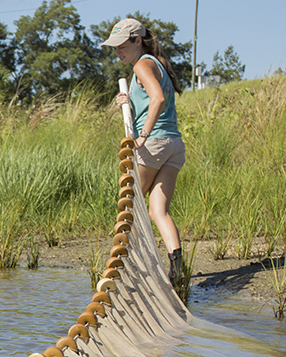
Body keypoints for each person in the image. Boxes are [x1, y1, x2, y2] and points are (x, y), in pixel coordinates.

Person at [104, 18, 185, 283]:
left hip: (154, 144)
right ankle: (176, 270)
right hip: (174, 144)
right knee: (156, 210)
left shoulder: (141, 64)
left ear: (138, 40)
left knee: (132, 209)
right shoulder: (155, 64)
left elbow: (158, 99)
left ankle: (135, 271)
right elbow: (152, 98)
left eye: (121, 45)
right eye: (114, 47)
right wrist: (128, 102)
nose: (117, 51)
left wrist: (142, 136)